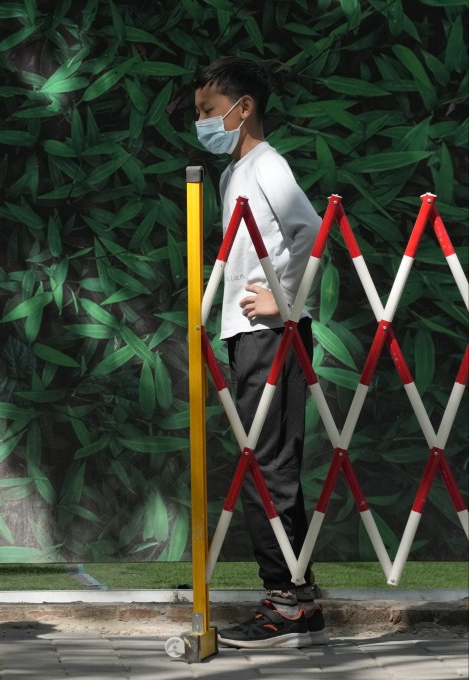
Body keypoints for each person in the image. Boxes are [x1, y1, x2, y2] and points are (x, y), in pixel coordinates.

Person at [193, 57, 326, 649]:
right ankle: (299, 597)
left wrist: (284, 299)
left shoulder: (267, 166)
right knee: (264, 463)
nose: (202, 121)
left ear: (243, 107)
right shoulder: (234, 173)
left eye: (207, 110)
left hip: (270, 334)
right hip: (246, 335)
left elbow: (311, 229)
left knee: (264, 467)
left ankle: (285, 603)